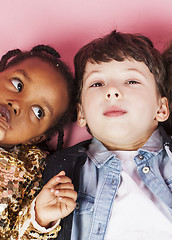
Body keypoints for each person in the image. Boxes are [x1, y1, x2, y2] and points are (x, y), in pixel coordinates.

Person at [43, 31, 172, 240]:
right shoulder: (63, 167)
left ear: (161, 109)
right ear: (81, 113)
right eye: (97, 84)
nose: (111, 91)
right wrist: (42, 220)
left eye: (131, 81)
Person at [0, 45, 77, 240]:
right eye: (18, 85)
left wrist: (40, 218)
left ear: (36, 138)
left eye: (37, 112)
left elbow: (17, 235)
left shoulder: (31, 171)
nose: (17, 104)